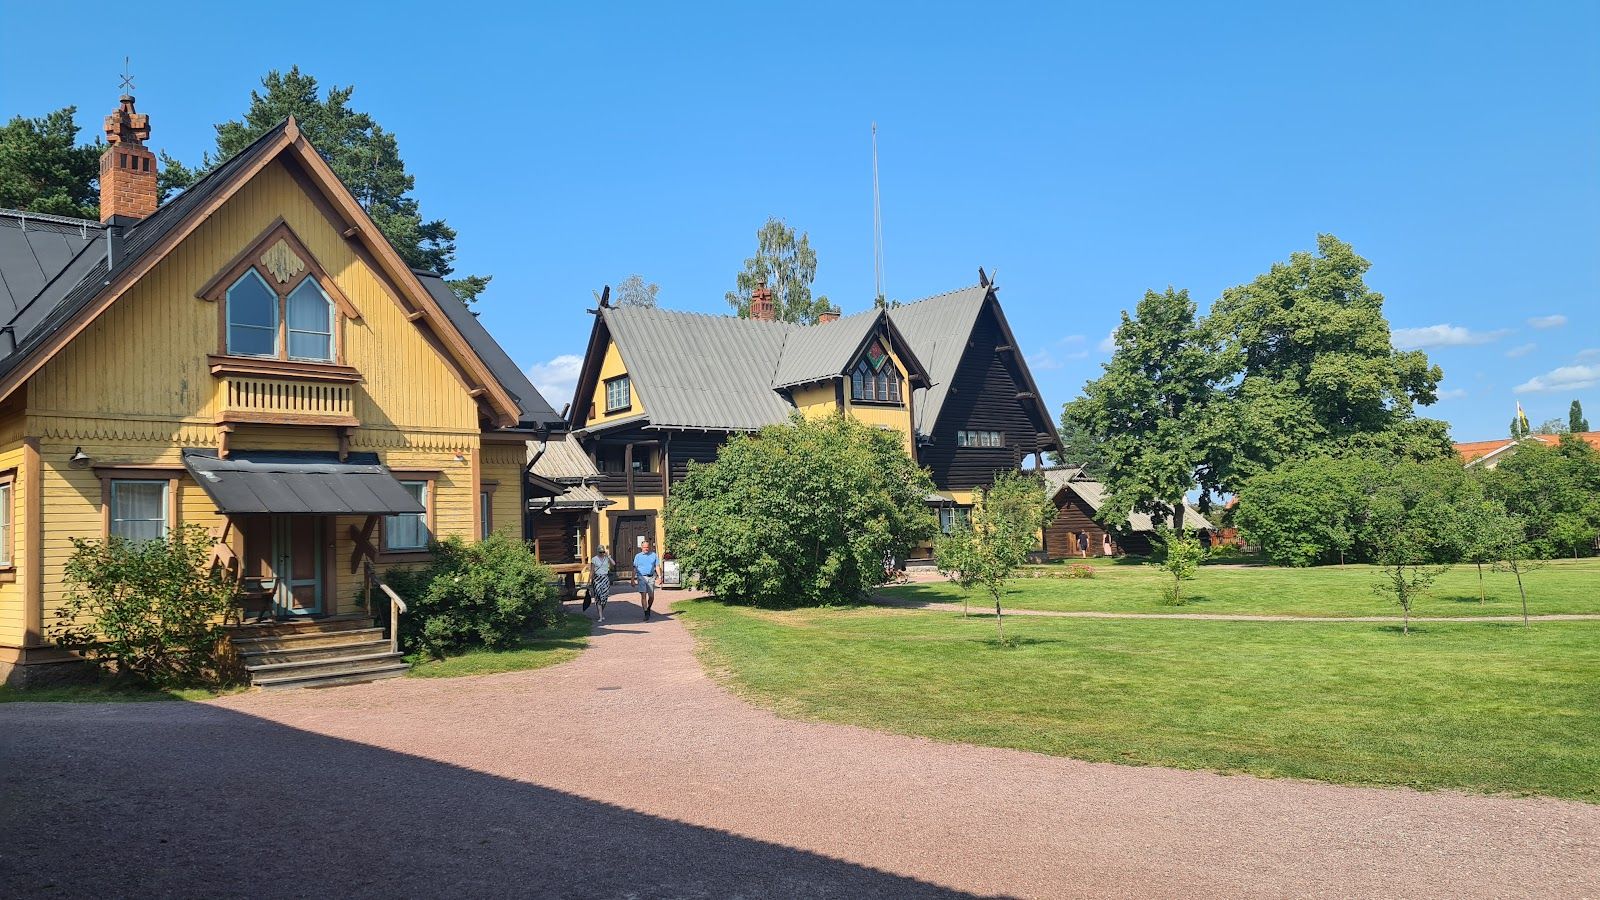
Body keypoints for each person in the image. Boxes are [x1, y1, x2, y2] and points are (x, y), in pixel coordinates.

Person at [633, 539, 661, 621]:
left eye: (647, 547)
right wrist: (632, 579)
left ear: (649, 547)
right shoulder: (638, 556)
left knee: (651, 596)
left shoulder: (654, 555)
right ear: (641, 547)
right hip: (641, 577)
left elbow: (657, 566)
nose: (646, 549)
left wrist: (660, 577)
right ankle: (646, 613)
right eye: (644, 547)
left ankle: (649, 608)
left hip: (651, 577)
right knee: (643, 595)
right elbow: (635, 568)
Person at [587, 545, 613, 624]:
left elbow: (614, 563)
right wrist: (589, 581)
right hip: (597, 579)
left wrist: (609, 557)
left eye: (603, 552)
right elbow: (592, 571)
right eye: (600, 552)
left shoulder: (606, 558)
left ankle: (601, 610)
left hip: (605, 578)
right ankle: (600, 616)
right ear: (597, 552)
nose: (602, 553)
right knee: (598, 596)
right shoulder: (594, 559)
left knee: (604, 597)